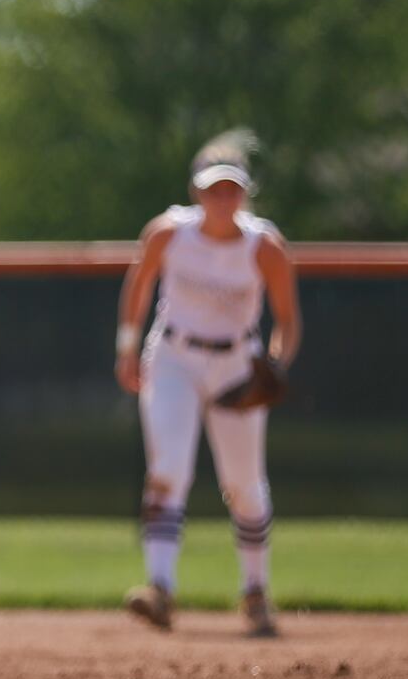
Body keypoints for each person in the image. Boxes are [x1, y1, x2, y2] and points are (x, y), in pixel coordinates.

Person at [113, 130, 302, 638]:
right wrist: (127, 347)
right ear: (197, 192)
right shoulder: (169, 234)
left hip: (237, 365)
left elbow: (287, 321)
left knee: (243, 484)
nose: (223, 198)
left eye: (232, 189)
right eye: (213, 189)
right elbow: (140, 284)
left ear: (244, 193)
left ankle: (256, 592)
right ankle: (159, 588)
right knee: (167, 470)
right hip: (174, 356)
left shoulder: (264, 246)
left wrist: (276, 366)